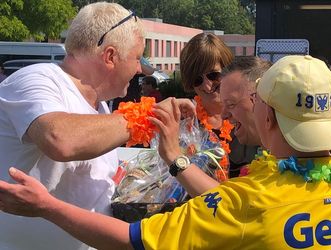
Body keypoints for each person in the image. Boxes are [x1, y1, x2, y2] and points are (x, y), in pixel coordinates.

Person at [2, 55, 331, 249]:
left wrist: (46, 206)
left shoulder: (251, 202)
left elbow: (133, 240)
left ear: (267, 116)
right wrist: (176, 159)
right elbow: (231, 201)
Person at [0, 2, 194, 250]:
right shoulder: (37, 78)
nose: (138, 69)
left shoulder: (100, 107)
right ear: (110, 56)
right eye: (137, 58)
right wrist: (149, 114)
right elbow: (61, 139)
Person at [180, 33, 258, 178]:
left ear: (227, 69)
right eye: (197, 80)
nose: (207, 86)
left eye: (213, 75)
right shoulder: (185, 120)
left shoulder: (251, 110)